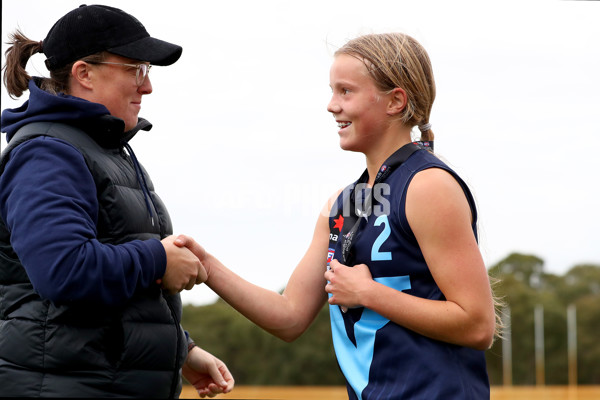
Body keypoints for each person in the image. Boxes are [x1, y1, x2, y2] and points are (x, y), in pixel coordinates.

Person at [176, 33, 499, 399]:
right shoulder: (342, 205)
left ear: (395, 101)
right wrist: (207, 266)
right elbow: (290, 316)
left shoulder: (428, 186)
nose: (332, 106)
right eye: (333, 91)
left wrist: (369, 293)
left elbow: (477, 325)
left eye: (346, 91)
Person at [0, 4, 233, 398]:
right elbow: (64, 270)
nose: (147, 86)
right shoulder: (47, 153)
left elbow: (109, 288)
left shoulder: (99, 149)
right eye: (135, 70)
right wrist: (159, 259)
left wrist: (182, 348)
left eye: (148, 71)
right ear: (84, 74)